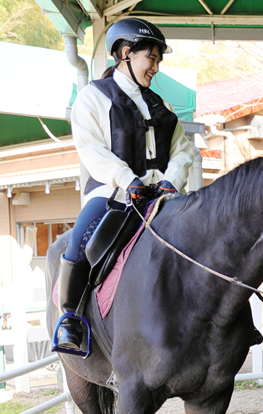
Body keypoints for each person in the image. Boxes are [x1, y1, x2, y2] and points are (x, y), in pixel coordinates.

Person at [52, 17, 194, 356]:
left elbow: (183, 150)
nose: (155, 68)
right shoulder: (92, 98)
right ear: (127, 53)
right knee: (80, 243)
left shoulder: (164, 107)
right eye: (152, 58)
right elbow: (92, 149)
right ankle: (71, 319)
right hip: (113, 195)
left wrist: (171, 181)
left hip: (163, 197)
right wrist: (126, 179)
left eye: (158, 60)